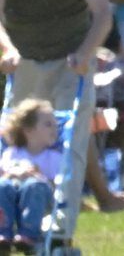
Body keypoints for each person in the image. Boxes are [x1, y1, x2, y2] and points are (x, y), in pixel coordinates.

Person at [0, 0, 124, 241]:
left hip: (71, 58)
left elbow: (103, 14)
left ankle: (59, 231)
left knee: (70, 143)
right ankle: (14, 223)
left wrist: (86, 52)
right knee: (16, 143)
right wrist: (7, 50)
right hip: (24, 57)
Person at [0, 99, 61, 252]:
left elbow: (56, 185)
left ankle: (28, 234)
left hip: (41, 199)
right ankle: (3, 233)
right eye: (48, 124)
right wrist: (13, 174)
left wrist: (37, 174)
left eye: (55, 124)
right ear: (28, 130)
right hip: (13, 195)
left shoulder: (53, 157)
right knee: (3, 186)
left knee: (34, 185)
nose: (55, 129)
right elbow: (4, 174)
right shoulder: (12, 153)